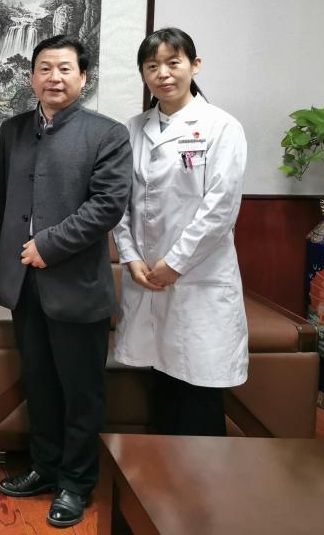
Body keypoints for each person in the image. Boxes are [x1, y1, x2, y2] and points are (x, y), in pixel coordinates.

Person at [0, 35, 132, 528]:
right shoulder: (13, 130)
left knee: (80, 393)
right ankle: (44, 468)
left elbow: (107, 206)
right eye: (45, 68)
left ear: (83, 78)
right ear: (32, 77)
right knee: (40, 385)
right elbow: (1, 202)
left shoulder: (107, 134)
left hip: (77, 287)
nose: (54, 77)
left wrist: (49, 245)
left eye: (65, 69)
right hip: (24, 286)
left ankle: (77, 482)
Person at [113, 27, 248, 437]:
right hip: (146, 276)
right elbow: (119, 203)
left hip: (198, 279)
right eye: (152, 66)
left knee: (199, 389)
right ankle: (162, 475)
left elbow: (220, 208)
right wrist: (131, 257)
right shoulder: (133, 128)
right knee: (162, 383)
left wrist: (175, 263)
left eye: (173, 63)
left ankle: (205, 477)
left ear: (195, 65)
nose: (163, 74)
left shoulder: (221, 127)